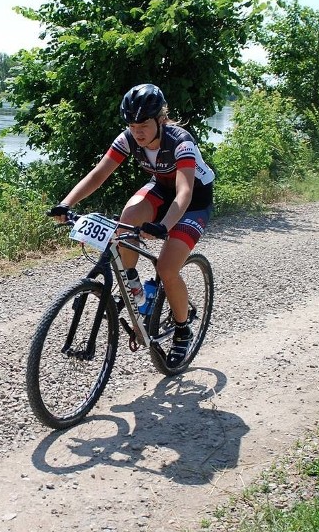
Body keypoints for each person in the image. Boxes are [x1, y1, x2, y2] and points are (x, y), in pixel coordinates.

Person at [48, 83, 215, 370]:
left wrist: (162, 226)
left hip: (193, 201)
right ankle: (134, 284)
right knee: (128, 217)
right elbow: (99, 174)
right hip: (162, 189)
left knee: (166, 268)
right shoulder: (128, 138)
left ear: (160, 119)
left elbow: (185, 192)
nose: (137, 131)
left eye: (144, 125)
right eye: (132, 124)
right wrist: (67, 203)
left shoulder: (181, 142)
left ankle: (182, 330)